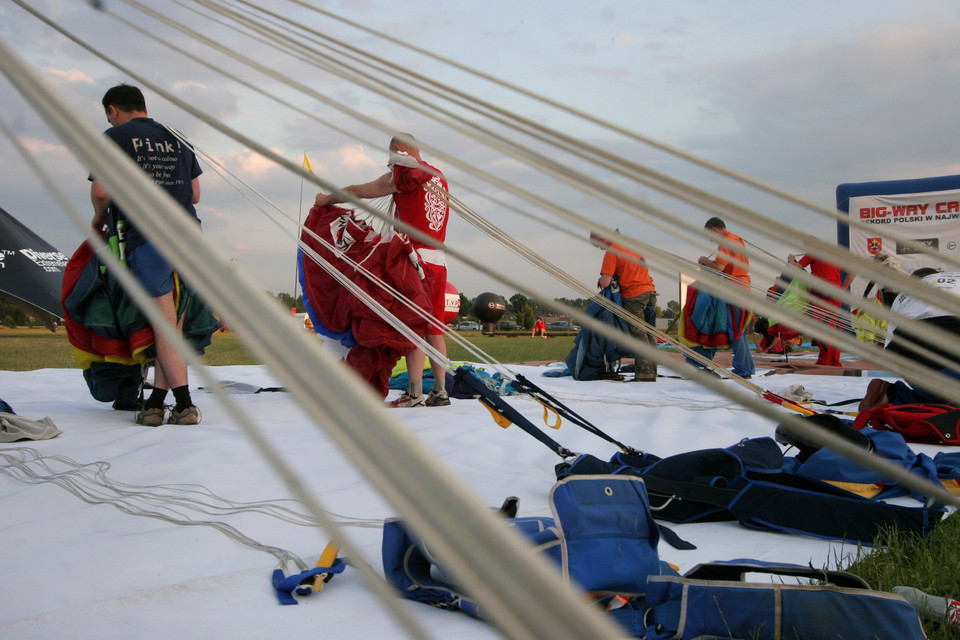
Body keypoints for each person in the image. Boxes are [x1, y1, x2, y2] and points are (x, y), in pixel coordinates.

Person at [89, 84, 203, 427]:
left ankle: (184, 405)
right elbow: (195, 194)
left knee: (163, 325)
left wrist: (99, 217)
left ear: (113, 110)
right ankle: (155, 402)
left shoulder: (115, 136)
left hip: (149, 237)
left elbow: (101, 191)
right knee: (173, 324)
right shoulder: (176, 137)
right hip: (190, 237)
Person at [315, 134, 450, 408]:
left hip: (415, 262)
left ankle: (414, 394)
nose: (390, 166)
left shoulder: (407, 176)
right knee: (434, 327)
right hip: (438, 260)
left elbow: (359, 191)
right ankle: (440, 390)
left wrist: (325, 199)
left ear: (400, 152)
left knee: (412, 324)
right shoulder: (438, 177)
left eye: (391, 159)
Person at [860, 268, 960, 411]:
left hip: (912, 360)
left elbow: (891, 348)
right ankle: (900, 399)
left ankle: (894, 396)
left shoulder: (904, 296)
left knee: (937, 394)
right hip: (951, 338)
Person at [694, 217, 755, 378]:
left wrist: (704, 260)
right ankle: (747, 367)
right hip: (742, 288)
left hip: (734, 291)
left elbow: (720, 267)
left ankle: (744, 370)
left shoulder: (727, 242)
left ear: (714, 230)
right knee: (739, 332)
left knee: (735, 331)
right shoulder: (737, 240)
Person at [594, 234, 658, 382]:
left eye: (598, 245)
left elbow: (605, 282)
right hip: (649, 292)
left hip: (633, 295)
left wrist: (603, 277)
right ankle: (652, 371)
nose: (600, 248)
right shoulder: (631, 246)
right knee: (650, 334)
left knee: (639, 335)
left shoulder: (612, 251)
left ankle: (644, 374)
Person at [787, 252, 853, 367]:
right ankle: (833, 360)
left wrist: (791, 259)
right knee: (833, 328)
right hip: (835, 294)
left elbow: (797, 267)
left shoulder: (813, 253)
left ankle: (825, 360)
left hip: (820, 295)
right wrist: (844, 288)